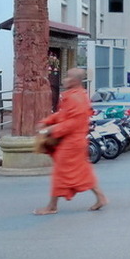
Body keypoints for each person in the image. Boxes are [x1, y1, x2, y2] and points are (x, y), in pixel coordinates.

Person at [34, 68, 107, 215]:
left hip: (72, 142)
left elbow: (73, 123)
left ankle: (52, 206)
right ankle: (101, 197)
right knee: (83, 171)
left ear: (74, 81)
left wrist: (50, 130)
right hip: (74, 141)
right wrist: (48, 120)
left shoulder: (76, 98)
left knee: (60, 173)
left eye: (67, 77)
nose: (64, 80)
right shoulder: (75, 96)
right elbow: (63, 115)